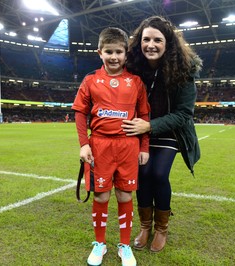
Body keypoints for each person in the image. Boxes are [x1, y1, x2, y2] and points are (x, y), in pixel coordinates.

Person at [121, 16, 202, 252]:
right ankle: (145, 226)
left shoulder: (184, 70)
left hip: (170, 131)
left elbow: (184, 114)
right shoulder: (133, 67)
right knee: (143, 174)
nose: (151, 45)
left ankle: (161, 229)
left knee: (157, 173)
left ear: (168, 43)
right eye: (146, 39)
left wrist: (149, 126)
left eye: (158, 40)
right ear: (139, 42)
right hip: (141, 132)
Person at [72, 27, 150, 266]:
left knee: (125, 195)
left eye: (118, 52)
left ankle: (125, 246)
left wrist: (144, 147)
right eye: (109, 52)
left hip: (128, 146)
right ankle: (100, 244)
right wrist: (84, 144)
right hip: (99, 146)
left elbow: (145, 115)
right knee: (102, 195)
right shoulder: (90, 80)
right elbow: (79, 112)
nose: (114, 57)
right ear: (100, 52)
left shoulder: (135, 82)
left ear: (126, 54)